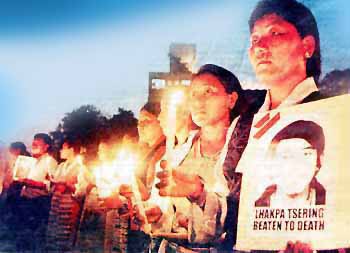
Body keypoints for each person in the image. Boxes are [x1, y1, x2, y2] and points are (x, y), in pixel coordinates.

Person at [155, 64, 247, 252]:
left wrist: (201, 196)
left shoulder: (246, 151)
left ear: (231, 99)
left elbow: (243, 218)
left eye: (208, 92)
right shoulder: (179, 153)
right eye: (193, 95)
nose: (198, 102)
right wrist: (155, 215)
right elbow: (167, 211)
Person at [255, 120, 326, 207]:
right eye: (285, 156)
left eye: (306, 154)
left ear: (319, 161)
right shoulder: (255, 207)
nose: (295, 165)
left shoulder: (331, 204)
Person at [46, 136, 85, 252]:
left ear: (72, 150)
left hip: (69, 205)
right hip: (57, 203)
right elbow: (53, 184)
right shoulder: (61, 166)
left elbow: (81, 190)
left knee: (66, 235)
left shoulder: (80, 167)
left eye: (64, 148)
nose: (61, 151)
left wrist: (67, 184)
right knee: (53, 234)